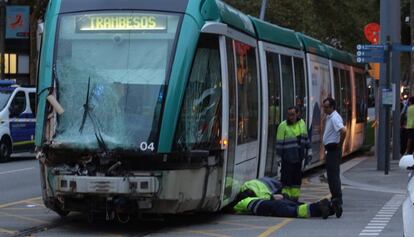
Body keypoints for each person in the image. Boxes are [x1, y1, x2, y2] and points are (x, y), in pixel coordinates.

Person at [231, 177, 335, 219]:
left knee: (296, 211)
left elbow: (265, 199)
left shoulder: (244, 202)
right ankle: (329, 207)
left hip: (276, 205)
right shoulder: (250, 184)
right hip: (276, 201)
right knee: (296, 205)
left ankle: (322, 207)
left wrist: (272, 197)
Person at [276, 106, 310, 201]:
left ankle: (294, 199)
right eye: (289, 114)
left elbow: (306, 138)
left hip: (298, 159)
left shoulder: (302, 123)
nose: (290, 117)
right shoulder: (283, 126)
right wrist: (279, 158)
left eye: (292, 114)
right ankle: (286, 199)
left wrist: (309, 151)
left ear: (297, 114)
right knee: (286, 182)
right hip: (287, 159)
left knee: (296, 182)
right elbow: (279, 143)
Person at [322, 97, 346, 218]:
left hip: (333, 150)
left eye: (326, 107)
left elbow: (343, 131)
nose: (324, 109)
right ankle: (336, 197)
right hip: (330, 150)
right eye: (324, 106)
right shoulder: (330, 117)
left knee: (333, 176)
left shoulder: (335, 117)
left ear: (332, 107)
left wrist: (339, 146)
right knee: (331, 176)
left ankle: (337, 199)